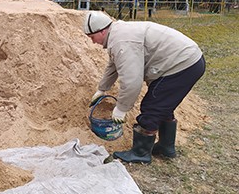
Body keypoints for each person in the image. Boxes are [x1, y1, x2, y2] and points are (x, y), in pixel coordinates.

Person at [83, 10, 205, 164]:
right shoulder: (118, 34)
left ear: (102, 31)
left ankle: (140, 153)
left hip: (181, 64)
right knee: (162, 106)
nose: (93, 42)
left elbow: (132, 80)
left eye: (92, 37)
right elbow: (113, 65)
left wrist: (121, 108)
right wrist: (102, 89)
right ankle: (166, 148)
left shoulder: (121, 42)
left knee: (152, 107)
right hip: (188, 60)